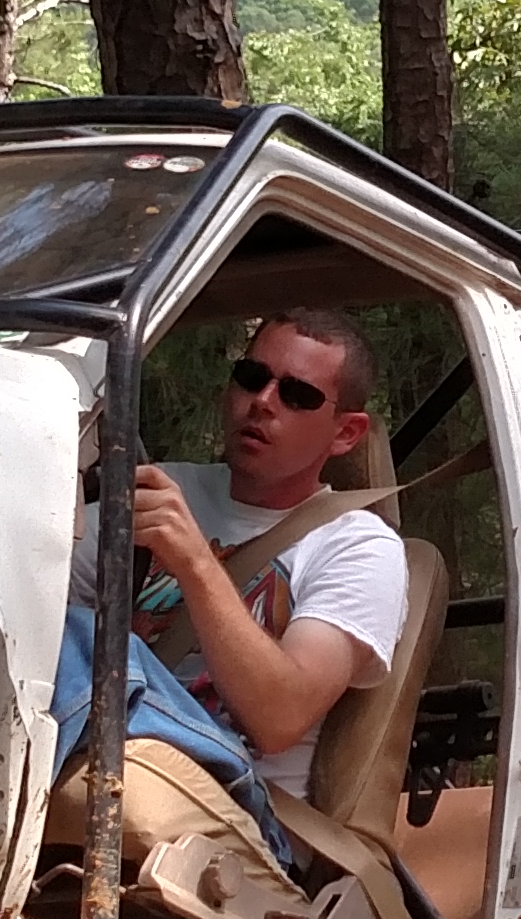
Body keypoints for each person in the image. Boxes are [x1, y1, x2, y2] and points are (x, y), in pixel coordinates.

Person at [120, 309, 411, 798]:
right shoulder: (166, 487)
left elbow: (280, 718)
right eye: (252, 378)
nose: (262, 402)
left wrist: (193, 562)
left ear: (345, 433)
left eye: (297, 395)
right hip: (106, 757)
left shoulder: (359, 547)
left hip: (237, 808)